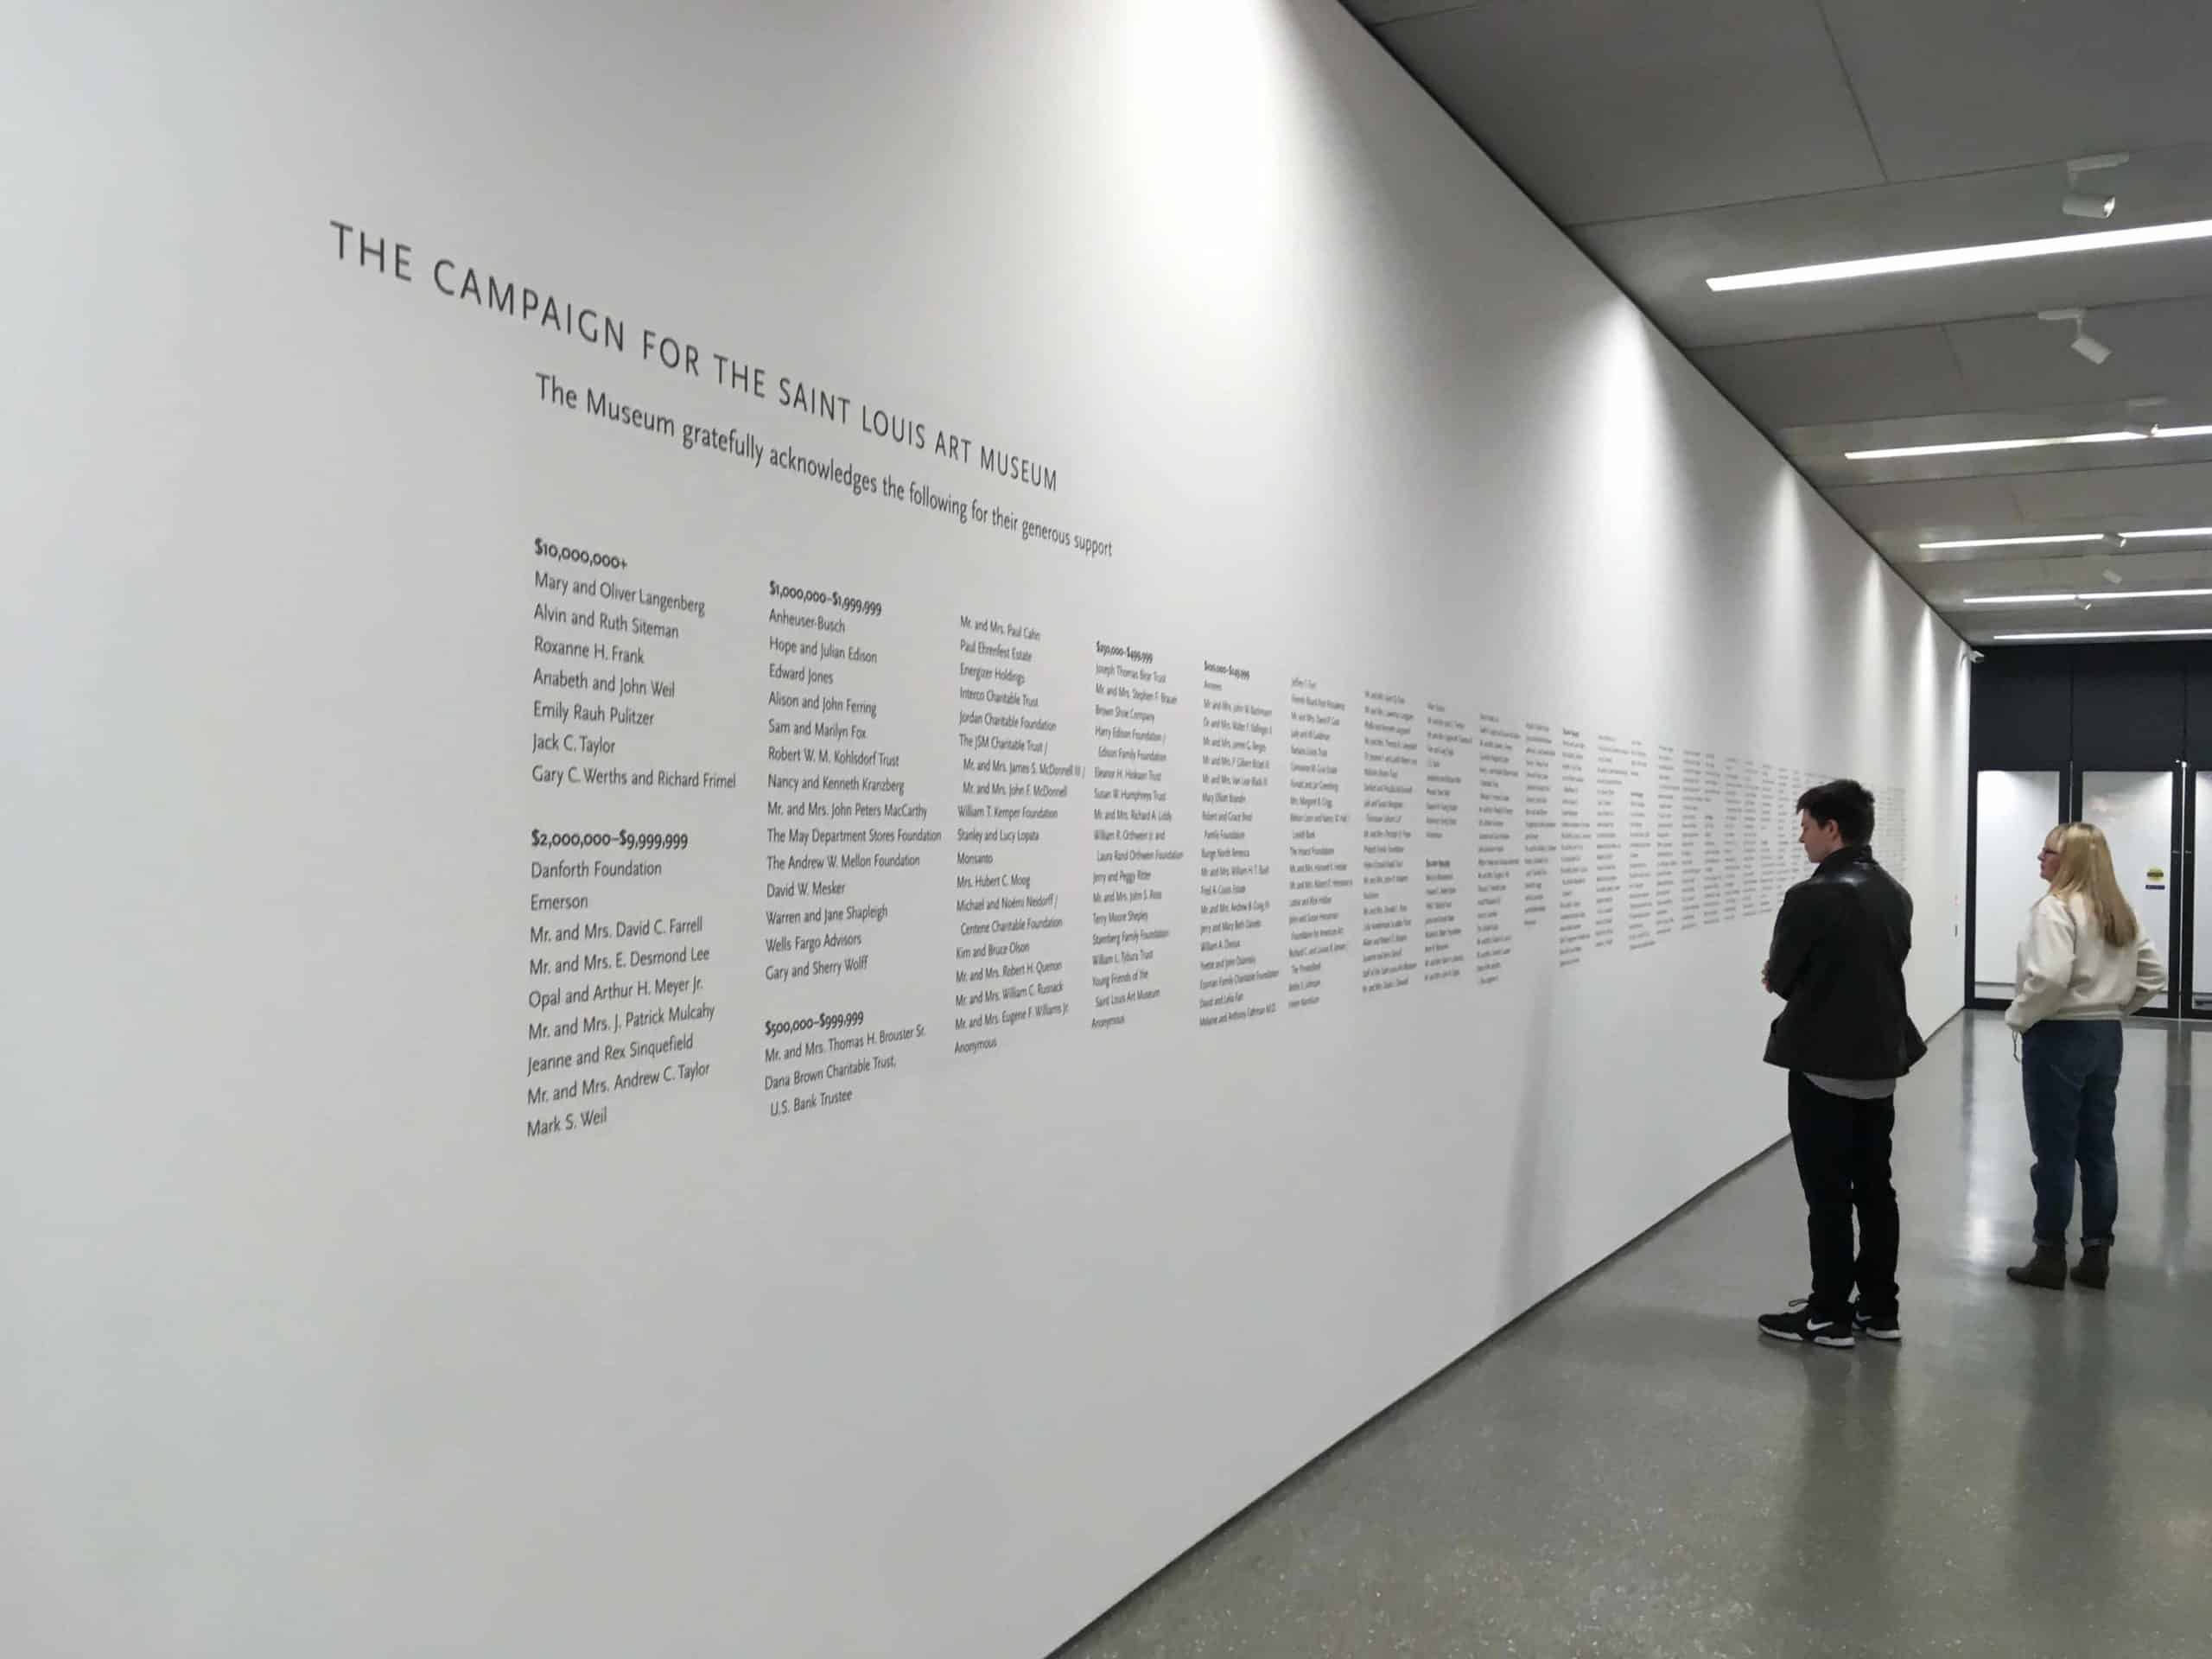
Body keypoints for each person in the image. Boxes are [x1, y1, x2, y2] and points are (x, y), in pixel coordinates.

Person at [1757, 779, 1926, 1349]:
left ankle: (1828, 1313)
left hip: (1823, 1062)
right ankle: (1879, 1309)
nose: (1800, 836)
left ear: (1833, 828)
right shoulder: (1894, 892)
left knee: (1827, 1193)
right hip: (1880, 1062)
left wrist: (1783, 978)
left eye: (1806, 825)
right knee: (1875, 1188)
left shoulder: (1811, 896)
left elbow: (1780, 977)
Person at [2002, 823, 2164, 1291]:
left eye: (2048, 851)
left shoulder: (2054, 909)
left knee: (2053, 1151)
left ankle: (2049, 1254)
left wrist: (2019, 1016)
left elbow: (2051, 978)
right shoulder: (2116, 909)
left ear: (2069, 860)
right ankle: (2096, 1254)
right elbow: (2153, 974)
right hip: (2105, 1036)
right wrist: (2113, 1007)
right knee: (2098, 1148)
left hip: (2058, 1036)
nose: (2040, 858)